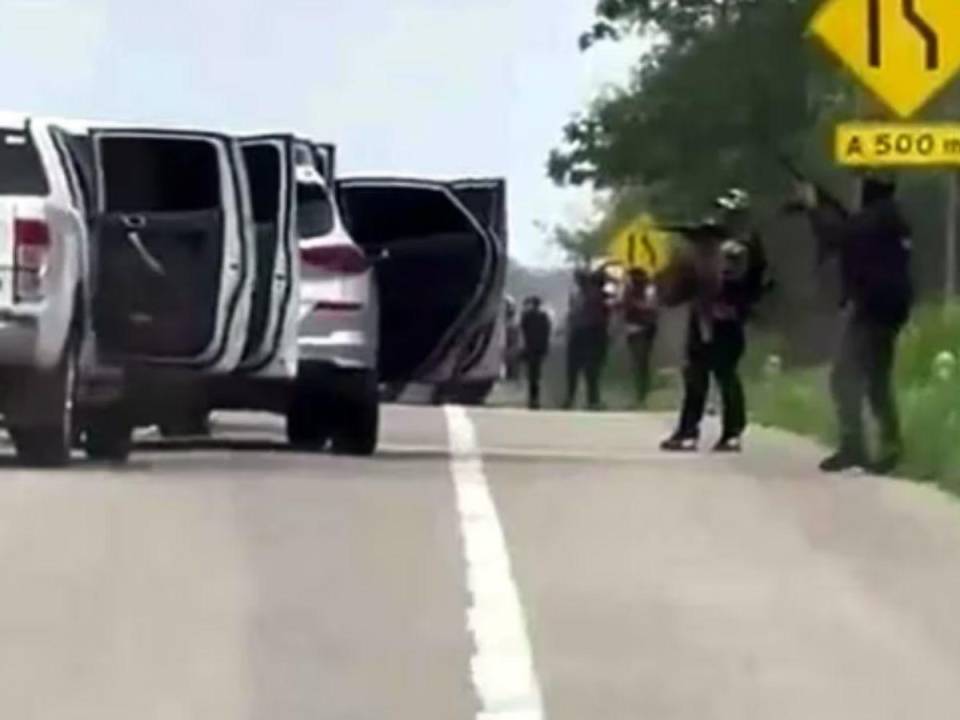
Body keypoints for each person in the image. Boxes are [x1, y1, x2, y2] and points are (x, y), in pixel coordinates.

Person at [797, 172, 913, 474]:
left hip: (873, 308)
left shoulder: (875, 219)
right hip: (890, 307)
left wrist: (813, 206)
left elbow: (835, 237)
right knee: (875, 378)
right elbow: (852, 235)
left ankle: (856, 446)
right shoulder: (891, 218)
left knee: (844, 377)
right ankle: (888, 445)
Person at [661, 188, 769, 452]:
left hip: (719, 320)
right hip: (712, 318)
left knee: (716, 375)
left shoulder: (733, 248)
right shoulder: (731, 247)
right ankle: (698, 432)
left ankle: (719, 433)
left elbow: (727, 282)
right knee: (706, 375)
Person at [564, 267, 612, 410]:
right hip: (584, 333)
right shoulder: (580, 295)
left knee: (588, 369)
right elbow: (572, 315)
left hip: (591, 333)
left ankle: (589, 399)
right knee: (580, 369)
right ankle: (581, 399)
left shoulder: (598, 296)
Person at [621, 268, 659, 407]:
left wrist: (633, 303)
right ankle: (640, 396)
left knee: (640, 363)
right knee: (637, 364)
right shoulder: (630, 291)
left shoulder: (649, 291)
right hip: (632, 330)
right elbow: (624, 306)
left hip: (644, 330)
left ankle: (642, 397)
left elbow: (651, 308)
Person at [520, 296, 552, 409]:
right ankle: (535, 399)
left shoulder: (527, 316)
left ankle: (533, 399)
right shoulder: (544, 316)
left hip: (531, 348)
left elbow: (523, 331)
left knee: (532, 375)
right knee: (536, 375)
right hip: (538, 348)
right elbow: (547, 332)